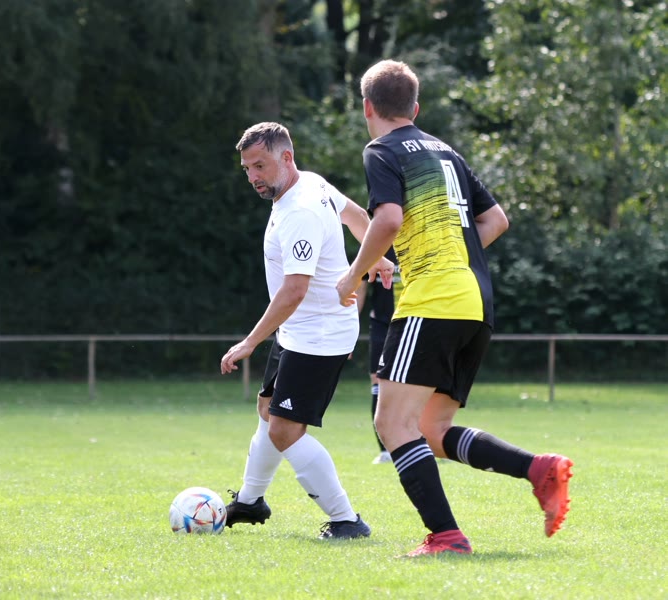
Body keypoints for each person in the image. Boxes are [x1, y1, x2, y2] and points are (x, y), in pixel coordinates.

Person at [336, 60, 574, 557]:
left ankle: (446, 536)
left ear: (367, 108)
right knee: (431, 431)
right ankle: (539, 469)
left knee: (391, 424)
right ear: (416, 107)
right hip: (474, 301)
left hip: (434, 301)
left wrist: (354, 274)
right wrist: (452, 256)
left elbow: (388, 219)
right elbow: (496, 220)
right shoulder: (446, 152)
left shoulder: (381, 150)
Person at [220, 121, 393, 539]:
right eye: (247, 169)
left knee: (284, 429)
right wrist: (376, 259)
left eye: (260, 166)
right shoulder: (311, 184)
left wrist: (250, 342)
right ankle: (250, 501)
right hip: (297, 330)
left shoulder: (300, 210)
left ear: (286, 158)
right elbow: (356, 216)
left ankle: (346, 520)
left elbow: (294, 290)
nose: (253, 177)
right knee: (268, 409)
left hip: (319, 335)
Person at [355, 247, 400, 465]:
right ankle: (385, 450)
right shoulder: (378, 244)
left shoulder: (421, 240)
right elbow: (359, 289)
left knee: (423, 382)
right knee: (378, 381)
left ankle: (427, 441)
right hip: (382, 325)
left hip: (415, 320)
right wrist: (349, 329)